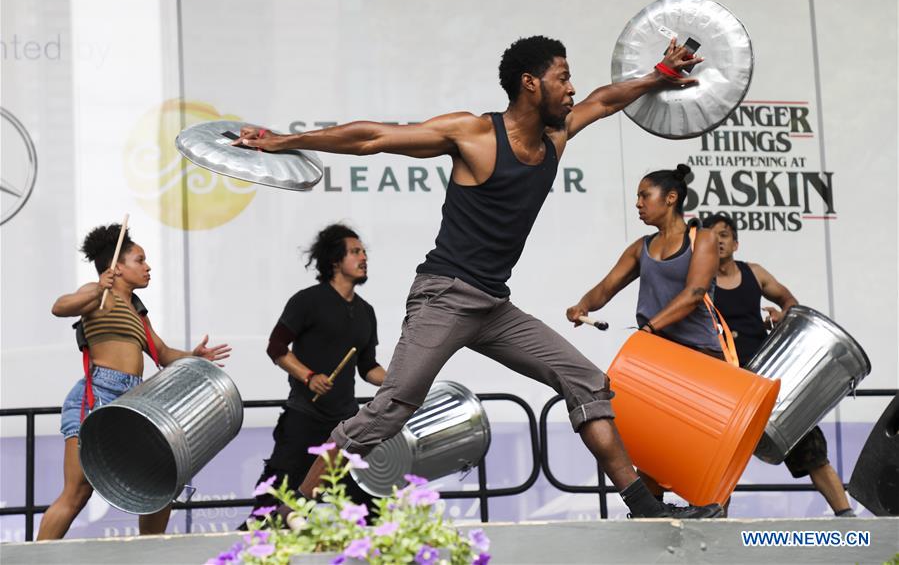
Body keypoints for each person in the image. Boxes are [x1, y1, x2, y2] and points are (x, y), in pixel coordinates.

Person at [236, 36, 720, 518]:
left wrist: (660, 75)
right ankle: (292, 510)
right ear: (531, 84)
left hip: (493, 307)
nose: (574, 90)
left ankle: (643, 506)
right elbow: (373, 138)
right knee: (392, 408)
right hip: (443, 297)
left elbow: (606, 100)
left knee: (587, 382)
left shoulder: (557, 135)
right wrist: (283, 140)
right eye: (564, 78)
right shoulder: (474, 135)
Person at [38, 223, 231, 540]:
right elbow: (59, 307)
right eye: (139, 260)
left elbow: (164, 353)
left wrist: (196, 356)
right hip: (96, 395)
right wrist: (99, 287)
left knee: (160, 483)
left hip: (134, 401)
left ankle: (148, 554)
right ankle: (33, 561)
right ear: (117, 267)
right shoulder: (98, 295)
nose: (148, 266)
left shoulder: (138, 312)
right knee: (76, 493)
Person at [566, 164, 726, 502]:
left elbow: (695, 293)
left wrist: (651, 327)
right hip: (658, 362)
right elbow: (608, 286)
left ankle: (716, 529)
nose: (638, 203)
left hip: (701, 360)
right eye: (637, 196)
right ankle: (652, 525)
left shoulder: (704, 238)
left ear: (670, 198)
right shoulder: (642, 246)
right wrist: (583, 306)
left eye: (644, 195)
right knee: (654, 454)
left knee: (704, 452)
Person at [703, 214, 856, 517]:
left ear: (735, 242)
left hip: (768, 379)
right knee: (724, 462)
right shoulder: (698, 282)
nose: (718, 240)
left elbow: (789, 300)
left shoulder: (755, 273)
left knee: (812, 450)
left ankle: (846, 516)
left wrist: (782, 314)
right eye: (712, 235)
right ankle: (717, 528)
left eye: (724, 235)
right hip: (727, 384)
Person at [241, 224, 385, 527]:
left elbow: (368, 367)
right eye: (355, 252)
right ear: (335, 260)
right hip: (305, 416)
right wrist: (308, 376)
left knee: (366, 500)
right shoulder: (307, 300)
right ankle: (252, 547)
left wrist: (401, 380)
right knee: (277, 496)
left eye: (364, 252)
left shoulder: (366, 312)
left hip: (345, 423)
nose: (363, 257)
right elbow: (276, 346)